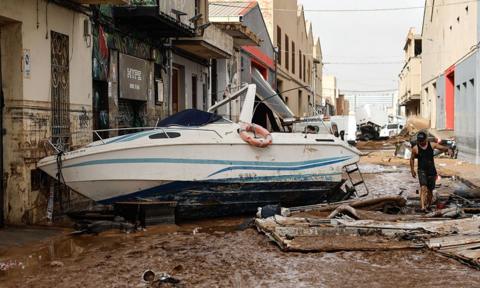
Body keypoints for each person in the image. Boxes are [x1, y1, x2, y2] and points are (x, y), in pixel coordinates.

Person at [410, 131, 452, 212]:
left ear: (426, 139)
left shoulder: (432, 145)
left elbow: (442, 148)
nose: (421, 143)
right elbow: (411, 159)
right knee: (423, 187)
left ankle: (428, 205)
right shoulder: (415, 148)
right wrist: (412, 170)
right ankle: (422, 207)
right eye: (420, 141)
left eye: (422, 141)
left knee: (430, 190)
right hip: (421, 170)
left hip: (431, 170)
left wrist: (448, 149)